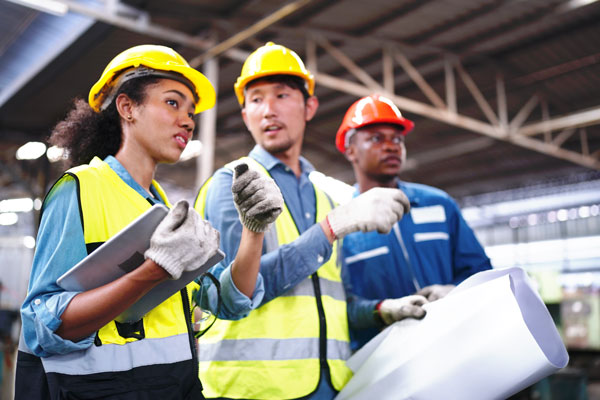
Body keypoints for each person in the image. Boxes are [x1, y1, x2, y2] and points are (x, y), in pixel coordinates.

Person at [15, 44, 283, 399]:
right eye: (173, 103)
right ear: (127, 108)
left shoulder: (165, 210)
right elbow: (42, 325)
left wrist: (254, 230)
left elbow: (228, 302)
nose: (188, 121)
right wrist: (152, 271)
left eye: (191, 112)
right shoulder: (80, 189)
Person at [194, 42, 426, 400]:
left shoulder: (325, 196)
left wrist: (384, 310)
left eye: (282, 95)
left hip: (329, 386)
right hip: (251, 390)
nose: (268, 110)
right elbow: (233, 295)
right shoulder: (233, 183)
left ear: (310, 107)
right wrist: (331, 228)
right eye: (255, 100)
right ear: (245, 116)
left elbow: (333, 303)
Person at [336, 94, 493, 350]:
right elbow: (341, 303)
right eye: (377, 138)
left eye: (397, 139)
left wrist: (454, 290)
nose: (391, 146)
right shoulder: (344, 223)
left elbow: (481, 269)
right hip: (380, 358)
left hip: (451, 345)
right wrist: (382, 312)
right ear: (350, 149)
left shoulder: (439, 205)